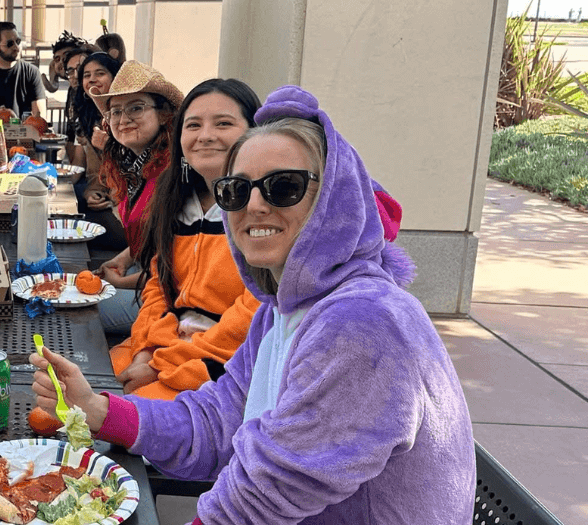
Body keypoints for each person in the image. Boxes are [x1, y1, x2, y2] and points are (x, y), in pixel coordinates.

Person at [32, 86, 474, 523]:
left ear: (332, 198)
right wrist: (99, 411)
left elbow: (269, 492)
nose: (255, 205)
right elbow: (220, 419)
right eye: (237, 191)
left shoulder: (363, 322)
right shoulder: (280, 308)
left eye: (283, 187)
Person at [112, 79, 264, 398]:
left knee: (110, 423)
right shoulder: (177, 201)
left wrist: (158, 366)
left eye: (223, 123)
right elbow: (157, 284)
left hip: (222, 366)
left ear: (255, 131)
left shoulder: (264, 209)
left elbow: (255, 311)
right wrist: (144, 350)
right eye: (193, 125)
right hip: (166, 346)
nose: (205, 135)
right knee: (60, 400)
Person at [89, 61, 184, 332]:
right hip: (145, 276)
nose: (123, 119)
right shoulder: (135, 166)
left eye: (136, 107)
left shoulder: (173, 171)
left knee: (76, 313)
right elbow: (154, 235)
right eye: (115, 111)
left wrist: (120, 283)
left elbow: (177, 270)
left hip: (169, 300)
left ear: (165, 114)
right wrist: (125, 258)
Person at [65, 50, 127, 253]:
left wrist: (110, 147)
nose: (92, 79)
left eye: (100, 73)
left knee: (68, 225)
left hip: (129, 212)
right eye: (87, 75)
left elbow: (141, 172)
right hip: (107, 201)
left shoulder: (127, 115)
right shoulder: (88, 117)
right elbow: (93, 173)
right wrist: (93, 193)